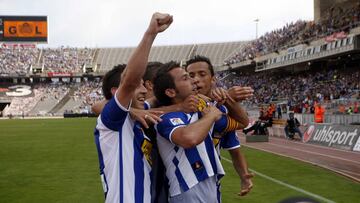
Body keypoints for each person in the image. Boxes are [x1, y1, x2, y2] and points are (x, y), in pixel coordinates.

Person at [94, 12, 173, 203]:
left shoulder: (137, 117)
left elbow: (157, 106)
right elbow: (128, 82)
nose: (145, 89)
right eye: (139, 84)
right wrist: (150, 34)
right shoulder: (113, 124)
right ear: (116, 92)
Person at [153, 61, 238, 203]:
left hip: (210, 183)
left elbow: (242, 122)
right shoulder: (166, 118)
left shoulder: (201, 110)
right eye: (186, 78)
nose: (194, 80)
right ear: (171, 92)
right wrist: (211, 115)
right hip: (187, 187)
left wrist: (227, 99)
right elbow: (189, 139)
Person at [185, 55, 254, 196]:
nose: (196, 79)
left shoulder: (222, 110)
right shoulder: (181, 105)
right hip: (185, 184)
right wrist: (226, 95)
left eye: (202, 74)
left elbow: (234, 148)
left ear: (213, 79)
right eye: (190, 75)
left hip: (212, 183)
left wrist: (244, 175)